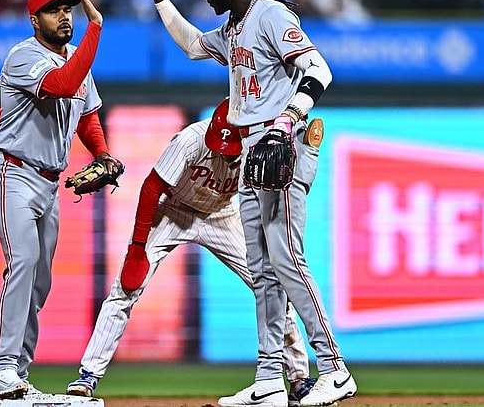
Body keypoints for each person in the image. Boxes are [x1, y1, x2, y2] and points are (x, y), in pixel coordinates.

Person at [145, 0, 357, 405]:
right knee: (261, 269)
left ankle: (334, 368)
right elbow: (191, 47)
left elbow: (320, 70)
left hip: (281, 144)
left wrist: (287, 120)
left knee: (286, 258)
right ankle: (269, 380)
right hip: (251, 146)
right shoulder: (234, 26)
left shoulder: (270, 15)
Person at [65, 97, 317, 407]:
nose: (221, 149)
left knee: (271, 286)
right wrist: (137, 248)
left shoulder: (257, 145)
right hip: (172, 211)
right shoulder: (190, 140)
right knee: (125, 289)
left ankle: (298, 378)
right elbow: (152, 188)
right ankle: (88, 375)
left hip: (222, 215)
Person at [0, 0, 123, 400]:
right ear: (34, 19)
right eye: (54, 9)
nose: (64, 15)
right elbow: (61, 85)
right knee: (22, 262)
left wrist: (102, 153)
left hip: (48, 183)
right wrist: (95, 28)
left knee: (39, 282)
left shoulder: (77, 65)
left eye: (69, 9)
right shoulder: (25, 56)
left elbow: (86, 116)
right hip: (12, 172)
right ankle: (1, 370)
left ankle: (16, 381)